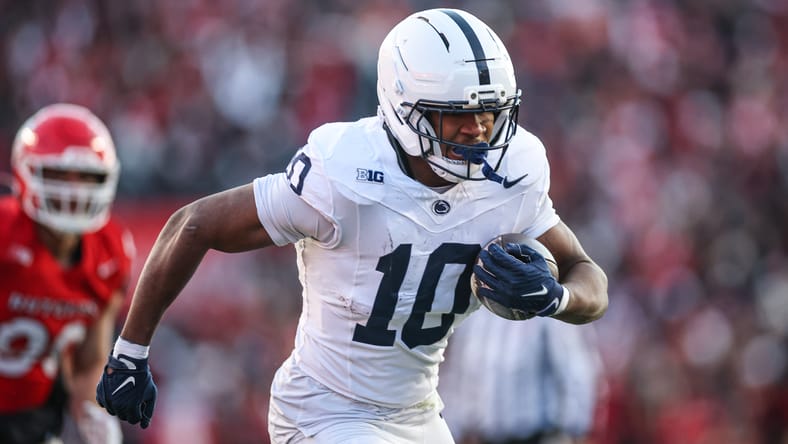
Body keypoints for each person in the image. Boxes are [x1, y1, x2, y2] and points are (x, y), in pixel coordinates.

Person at [96, 8, 608, 443]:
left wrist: (555, 299)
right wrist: (129, 353)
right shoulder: (345, 171)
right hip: (324, 409)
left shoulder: (513, 174)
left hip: (418, 413)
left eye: (491, 114)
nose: (478, 131)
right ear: (407, 110)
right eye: (457, 117)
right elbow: (194, 224)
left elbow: (587, 275)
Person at [1, 103, 131, 444]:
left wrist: (94, 415)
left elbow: (89, 361)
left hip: (33, 417)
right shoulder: (4, 232)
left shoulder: (110, 253)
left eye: (87, 177)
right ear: (26, 172)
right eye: (59, 174)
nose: (73, 190)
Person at [438, 309, 603, 444]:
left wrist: (575, 428)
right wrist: (456, 427)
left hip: (538, 435)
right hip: (485, 436)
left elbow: (575, 371)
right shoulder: (474, 315)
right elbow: (460, 376)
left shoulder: (546, 309)